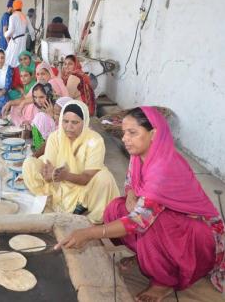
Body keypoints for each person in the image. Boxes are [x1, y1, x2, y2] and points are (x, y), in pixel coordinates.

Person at [57, 107, 225, 301]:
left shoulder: (163, 167)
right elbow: (130, 182)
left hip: (198, 234)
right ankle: (145, 258)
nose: (125, 138)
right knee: (115, 208)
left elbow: (139, 221)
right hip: (164, 217)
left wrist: (89, 233)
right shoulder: (139, 155)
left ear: (153, 134)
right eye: (124, 133)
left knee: (151, 228)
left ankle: (164, 282)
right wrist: (130, 195)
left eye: (132, 133)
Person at [22, 100, 119, 223]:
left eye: (75, 122)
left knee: (105, 178)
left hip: (83, 183)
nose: (69, 127)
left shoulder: (94, 140)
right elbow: (49, 170)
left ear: (84, 123)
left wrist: (65, 175)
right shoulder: (55, 137)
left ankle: (87, 210)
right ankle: (58, 200)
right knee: (29, 164)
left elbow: (87, 177)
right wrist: (49, 174)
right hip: (58, 183)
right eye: (65, 121)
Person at [5, 0, 35, 67]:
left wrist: (5, 34)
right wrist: (33, 39)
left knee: (11, 58)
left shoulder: (12, 17)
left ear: (14, 7)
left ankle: (11, 73)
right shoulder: (26, 16)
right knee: (21, 57)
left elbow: (11, 30)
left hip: (15, 40)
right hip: (23, 40)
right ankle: (20, 72)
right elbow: (32, 30)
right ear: (21, 7)